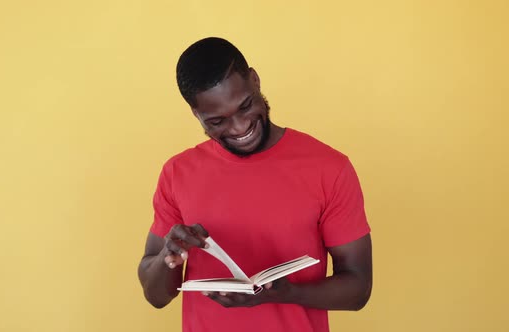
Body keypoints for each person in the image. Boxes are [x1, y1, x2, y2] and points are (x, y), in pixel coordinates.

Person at [138, 37, 372, 332]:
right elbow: (156, 296)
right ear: (197, 115)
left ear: (255, 80)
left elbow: (358, 289)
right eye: (216, 121)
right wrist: (167, 256)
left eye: (245, 105)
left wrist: (287, 294)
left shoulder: (329, 168)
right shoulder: (177, 172)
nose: (239, 127)